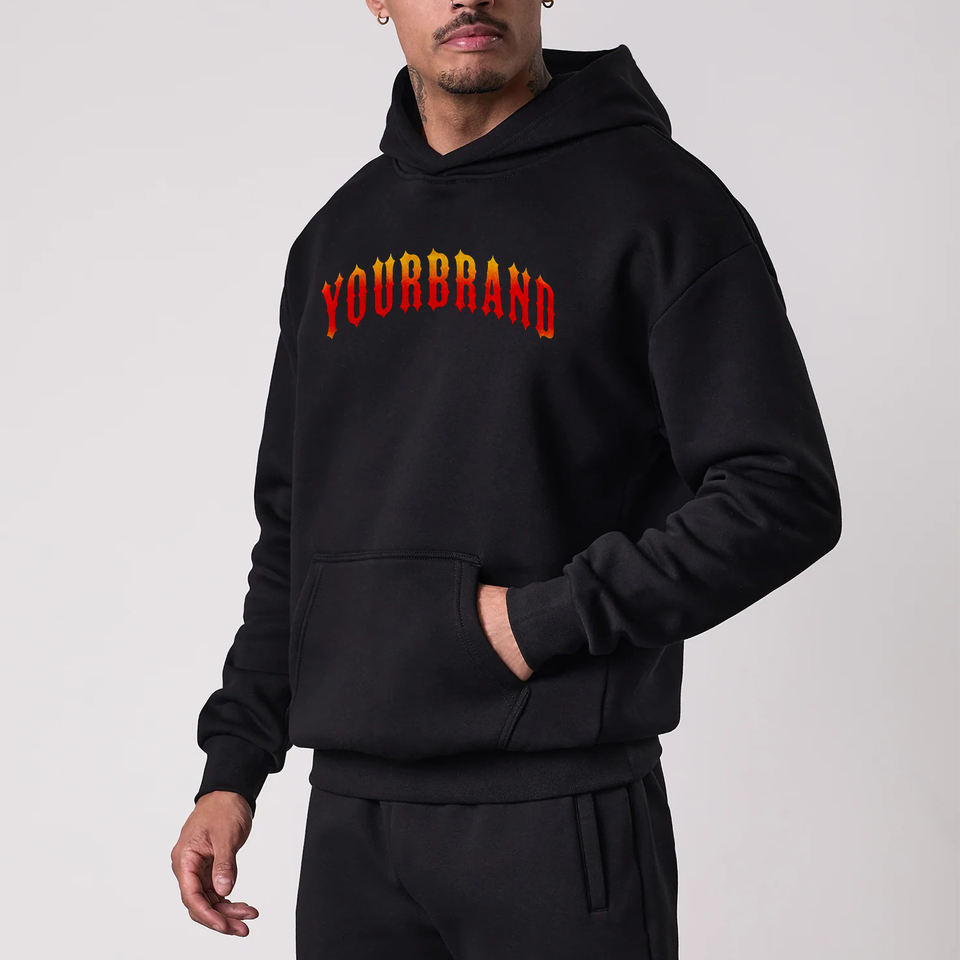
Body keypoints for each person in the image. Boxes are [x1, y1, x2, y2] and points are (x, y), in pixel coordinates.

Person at [170, 2, 843, 957]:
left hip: (557, 815)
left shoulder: (663, 207)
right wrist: (233, 767)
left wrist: (544, 620)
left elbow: (781, 492)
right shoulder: (335, 238)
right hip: (351, 828)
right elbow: (291, 530)